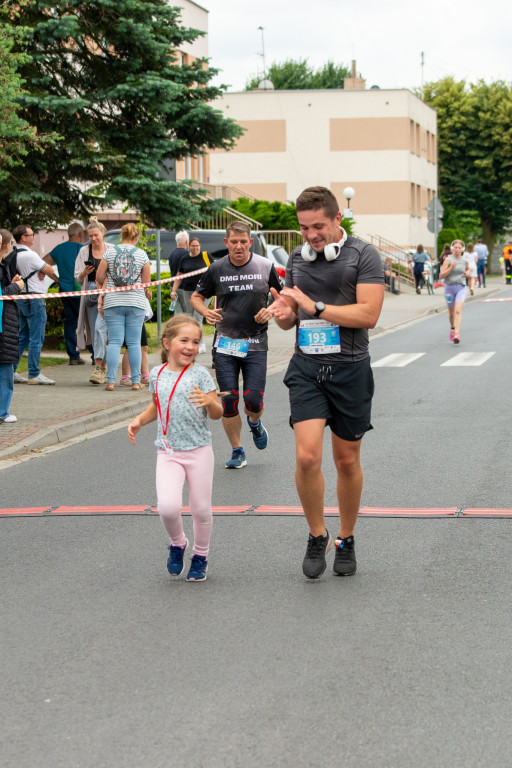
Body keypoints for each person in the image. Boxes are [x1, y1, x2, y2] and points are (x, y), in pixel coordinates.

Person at [268, 186, 384, 580]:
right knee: (306, 457)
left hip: (350, 369)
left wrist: (315, 306)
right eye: (303, 228)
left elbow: (368, 314)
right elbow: (291, 319)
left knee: (347, 459)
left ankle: (346, 538)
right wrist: (282, 312)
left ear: (337, 219)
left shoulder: (363, 255)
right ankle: (317, 534)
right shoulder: (298, 259)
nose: (311, 236)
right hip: (307, 368)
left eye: (318, 226)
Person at [128, 315, 222, 582]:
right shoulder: (157, 374)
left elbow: (218, 412)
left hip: (199, 451)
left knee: (201, 509)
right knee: (168, 507)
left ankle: (200, 556)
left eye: (195, 342)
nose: (190, 347)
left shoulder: (201, 374)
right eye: (184, 341)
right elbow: (156, 407)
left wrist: (209, 402)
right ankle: (178, 543)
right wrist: (138, 421)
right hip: (168, 452)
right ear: (167, 343)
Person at [190, 221, 282, 469]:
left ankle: (255, 423)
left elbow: (282, 298)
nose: (239, 246)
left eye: (243, 242)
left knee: (253, 400)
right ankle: (237, 450)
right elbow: (197, 296)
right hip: (225, 344)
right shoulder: (217, 268)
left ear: (250, 242)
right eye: (234, 242)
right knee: (229, 400)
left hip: (255, 344)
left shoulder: (265, 266)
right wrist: (205, 313)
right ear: (226, 243)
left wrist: (271, 310)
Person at [96, 223, 151, 391]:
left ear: (121, 236)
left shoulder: (110, 252)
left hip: (113, 302)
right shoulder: (142, 254)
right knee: (134, 343)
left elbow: (99, 276)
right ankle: (135, 382)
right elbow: (146, 283)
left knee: (114, 342)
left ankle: (111, 381)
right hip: (135, 302)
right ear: (137, 237)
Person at [13, 224, 59, 385]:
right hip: (35, 297)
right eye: (31, 235)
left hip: (21, 297)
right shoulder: (30, 255)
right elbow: (49, 269)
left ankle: (12, 370)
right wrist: (42, 269)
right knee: (36, 337)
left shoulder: (13, 253)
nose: (33, 237)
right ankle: (34, 373)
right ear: (24, 238)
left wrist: (41, 270)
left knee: (22, 336)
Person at [44, 222, 85, 365]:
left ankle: (73, 356)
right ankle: (95, 356)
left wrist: (56, 279)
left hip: (65, 291)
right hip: (80, 292)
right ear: (80, 234)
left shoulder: (59, 249)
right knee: (88, 322)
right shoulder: (82, 249)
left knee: (70, 322)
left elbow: (43, 262)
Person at [75, 217, 109, 385]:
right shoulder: (84, 251)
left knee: (107, 332)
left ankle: (103, 367)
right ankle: (99, 367)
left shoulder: (111, 249)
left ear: (103, 233)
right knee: (97, 330)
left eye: (96, 235)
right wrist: (83, 273)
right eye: (90, 236)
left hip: (109, 292)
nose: (93, 239)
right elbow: (77, 277)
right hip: (91, 294)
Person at [0, 230, 25, 423]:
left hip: (5, 322)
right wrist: (17, 287)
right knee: (5, 369)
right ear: (7, 245)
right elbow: (2, 293)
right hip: (3, 324)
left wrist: (11, 284)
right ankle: (2, 412)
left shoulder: (3, 266)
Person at [171, 236, 210, 353]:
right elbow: (179, 276)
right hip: (188, 291)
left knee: (198, 318)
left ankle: (201, 344)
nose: (195, 248)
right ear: (189, 246)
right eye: (193, 246)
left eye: (197, 246)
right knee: (190, 318)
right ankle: (192, 342)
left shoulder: (206, 256)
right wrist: (174, 290)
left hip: (203, 292)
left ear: (200, 246)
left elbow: (214, 271)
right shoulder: (184, 258)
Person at [440, 239, 470, 344]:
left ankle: (457, 334)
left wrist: (467, 273)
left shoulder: (464, 260)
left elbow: (467, 269)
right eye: (455, 247)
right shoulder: (448, 259)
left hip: (461, 287)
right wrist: (451, 268)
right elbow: (441, 275)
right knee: (451, 313)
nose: (457, 249)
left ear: (462, 249)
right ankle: (452, 328)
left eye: (459, 248)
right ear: (452, 249)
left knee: (458, 311)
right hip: (449, 288)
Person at [168, 231, 189, 314]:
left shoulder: (172, 254)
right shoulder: (187, 254)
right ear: (187, 242)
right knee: (187, 312)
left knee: (178, 312)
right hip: (184, 287)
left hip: (173, 286)